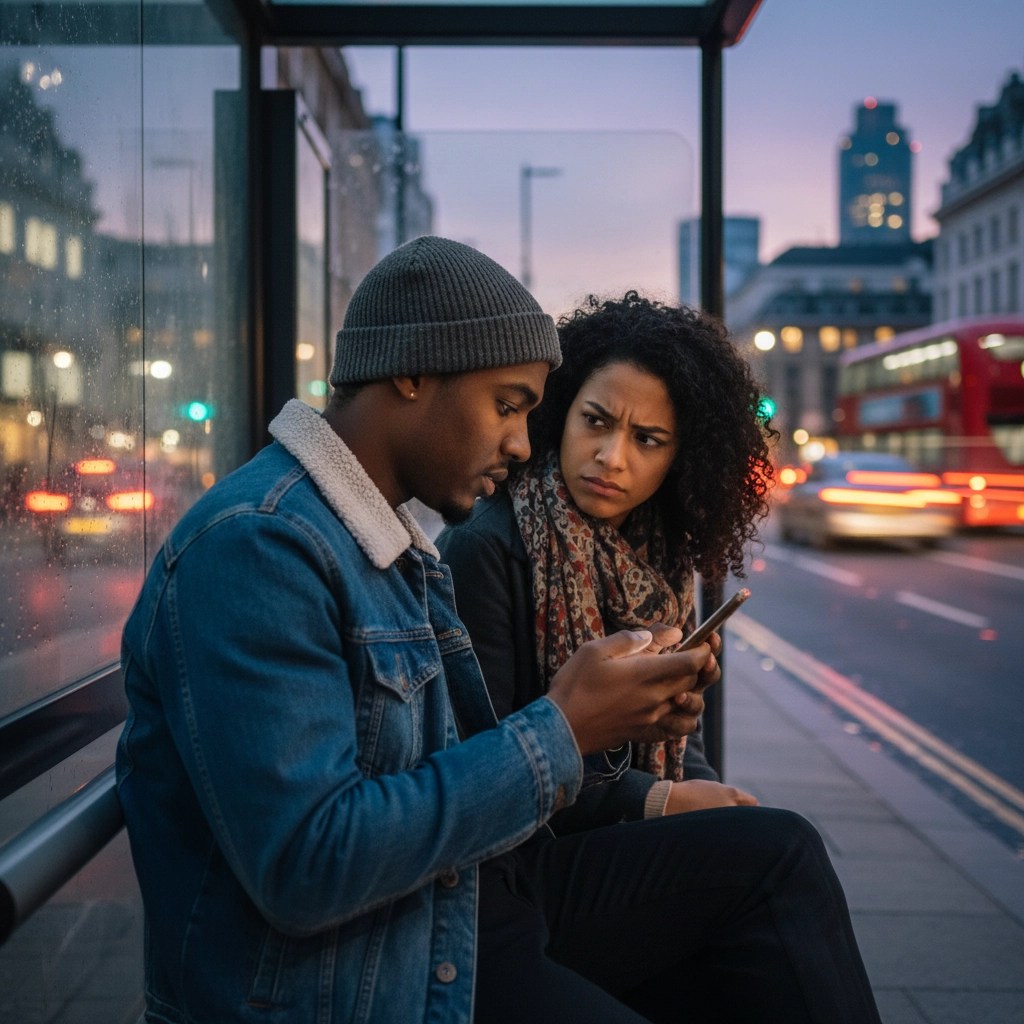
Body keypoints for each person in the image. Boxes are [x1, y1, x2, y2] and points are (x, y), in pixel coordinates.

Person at [116, 236, 882, 1024]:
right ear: (412, 372)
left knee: (775, 854)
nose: (523, 443)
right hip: (375, 970)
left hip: (452, 915)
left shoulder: (387, 548)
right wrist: (565, 727)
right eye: (509, 405)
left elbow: (447, 777)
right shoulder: (259, 546)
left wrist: (618, 726)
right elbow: (308, 864)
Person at [437, 292, 773, 825]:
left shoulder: (660, 556)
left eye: (647, 439)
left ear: (678, 458)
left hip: (623, 828)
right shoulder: (486, 548)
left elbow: (691, 756)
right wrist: (654, 800)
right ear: (560, 414)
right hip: (536, 852)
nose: (612, 457)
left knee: (764, 832)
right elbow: (483, 768)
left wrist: (694, 767)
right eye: (595, 421)